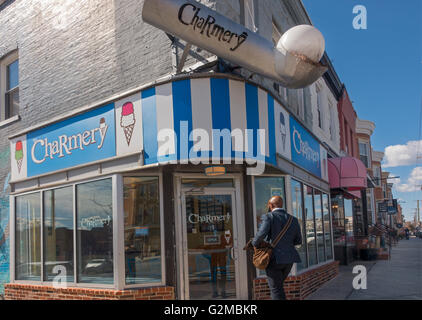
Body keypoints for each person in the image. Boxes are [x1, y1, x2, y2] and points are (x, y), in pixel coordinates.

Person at [249, 196, 302, 300]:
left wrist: (253, 243)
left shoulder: (269, 217)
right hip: (289, 259)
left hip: (274, 259)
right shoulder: (294, 219)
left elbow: (261, 234)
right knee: (278, 287)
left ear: (271, 205)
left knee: (276, 289)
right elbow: (298, 240)